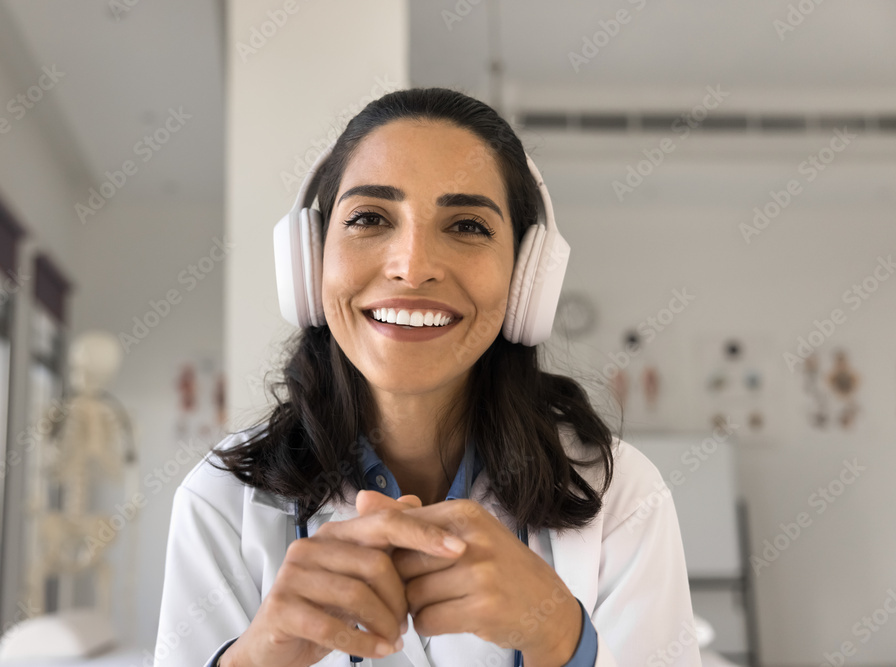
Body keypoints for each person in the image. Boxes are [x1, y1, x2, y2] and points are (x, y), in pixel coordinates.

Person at [154, 87, 701, 667]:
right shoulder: (221, 500)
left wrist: (565, 638)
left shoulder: (621, 494)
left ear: (526, 278)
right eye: (368, 218)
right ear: (309, 260)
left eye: (467, 225)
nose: (412, 267)